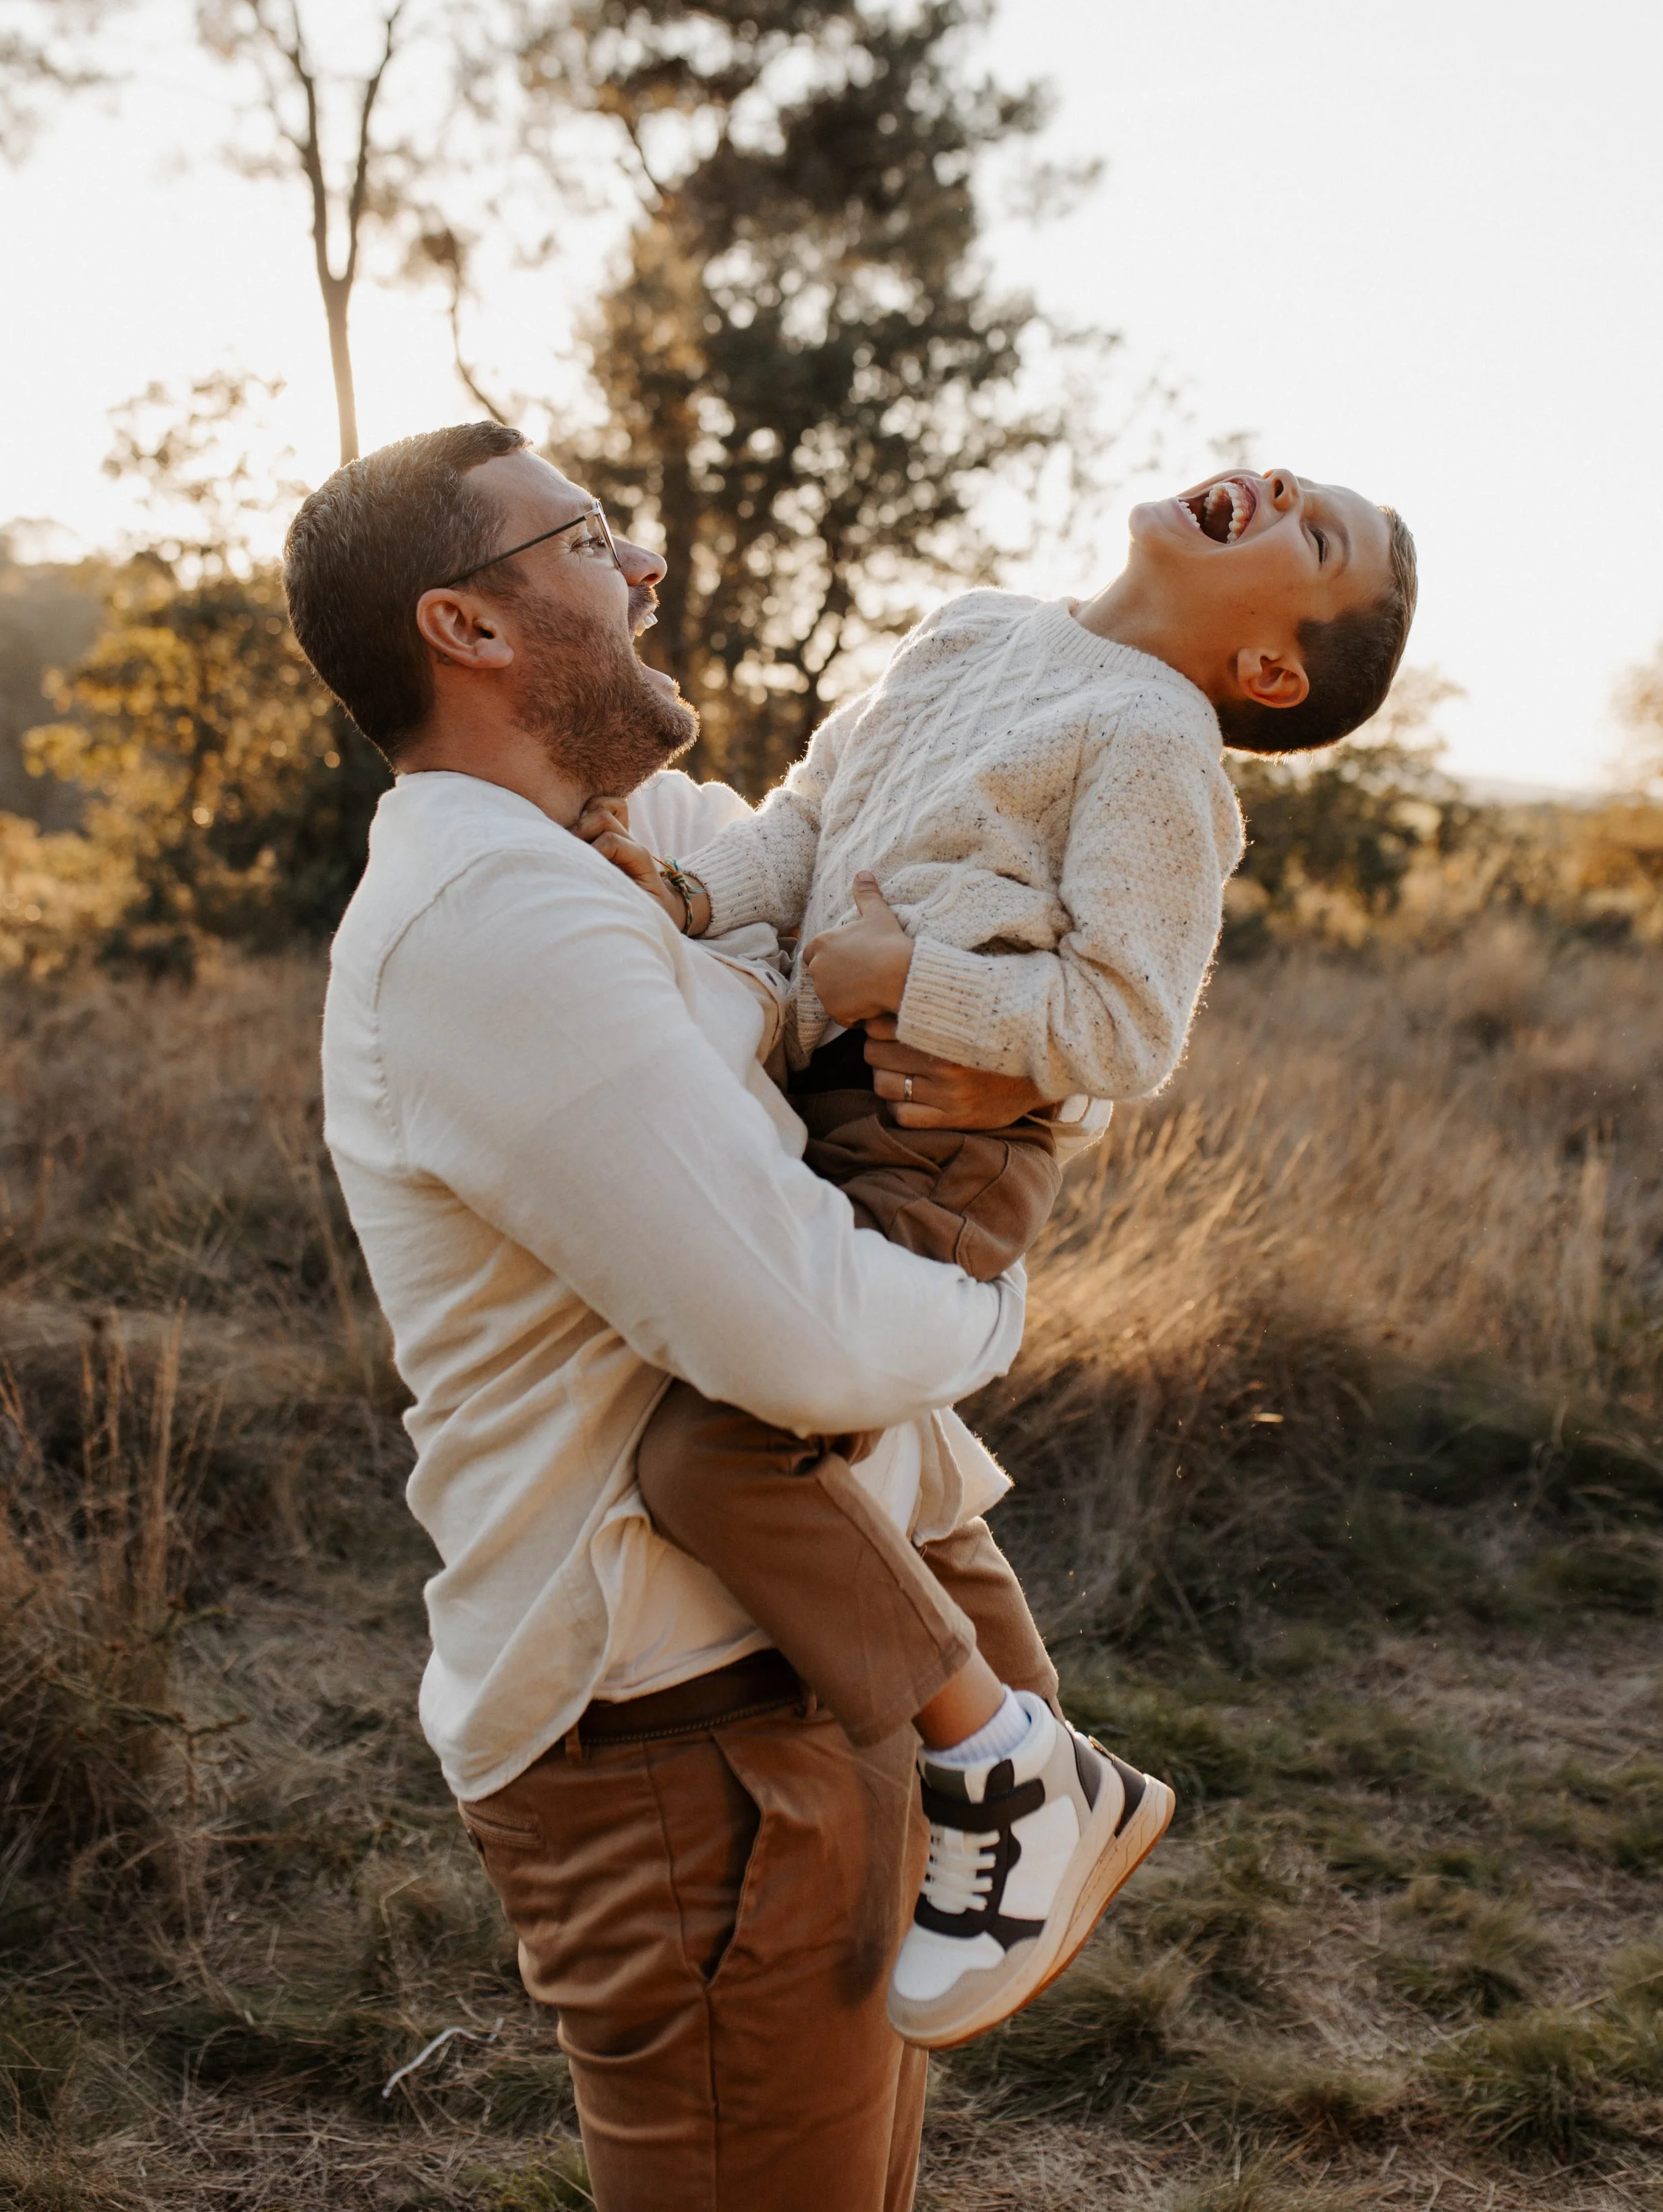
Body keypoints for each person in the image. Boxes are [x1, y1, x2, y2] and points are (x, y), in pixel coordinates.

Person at [282, 419, 1121, 2212]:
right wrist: (990, 1291)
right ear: (466, 625)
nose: (642, 563)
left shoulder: (642, 838)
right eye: (588, 538)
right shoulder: (483, 919)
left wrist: (1000, 1042)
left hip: (818, 1661)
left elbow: (908, 921)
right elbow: (803, 1343)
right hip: (681, 1734)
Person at [576, 464, 1418, 2050]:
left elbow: (1123, 1025)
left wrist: (916, 979)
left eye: (1314, 533)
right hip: (814, 1097)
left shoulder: (1157, 742)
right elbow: (809, 826)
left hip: (932, 1139)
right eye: (1296, 478)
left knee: (716, 1455)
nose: (1277, 484)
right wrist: (689, 892)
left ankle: (1005, 1766)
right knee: (864, 1453)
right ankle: (1036, 1757)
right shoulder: (971, 629)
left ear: (1267, 670)